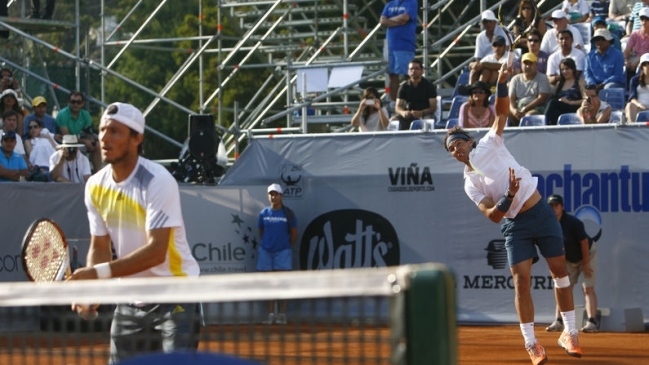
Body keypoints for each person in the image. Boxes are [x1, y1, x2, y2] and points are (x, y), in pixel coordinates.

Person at [443, 63, 582, 365]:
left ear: (470, 141)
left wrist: (502, 82)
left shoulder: (490, 143)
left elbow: (502, 113)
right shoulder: (469, 183)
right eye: (450, 149)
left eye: (458, 143)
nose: (455, 150)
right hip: (514, 226)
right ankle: (532, 343)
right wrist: (508, 195)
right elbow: (492, 216)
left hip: (541, 214)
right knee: (521, 282)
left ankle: (569, 332)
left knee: (560, 271)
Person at [68, 102, 201, 364]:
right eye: (102, 130)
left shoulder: (158, 181)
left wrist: (96, 274)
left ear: (137, 138)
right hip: (129, 302)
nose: (104, 138)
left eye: (115, 131)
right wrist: (92, 291)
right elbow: (100, 247)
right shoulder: (95, 185)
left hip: (176, 298)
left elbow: (156, 252)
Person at [546, 194, 599, 334]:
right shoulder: (548, 224)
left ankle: (592, 322)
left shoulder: (573, 223)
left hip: (588, 254)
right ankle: (558, 321)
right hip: (568, 259)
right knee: (563, 288)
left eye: (556, 205)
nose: (553, 208)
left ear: (562, 207)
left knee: (587, 289)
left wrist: (586, 264)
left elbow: (584, 243)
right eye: (551, 206)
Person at [258, 183, 298, 325]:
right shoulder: (263, 213)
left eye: (276, 194)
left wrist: (284, 246)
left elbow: (293, 234)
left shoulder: (288, 213)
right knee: (269, 285)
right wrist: (268, 245)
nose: (273, 197)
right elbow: (261, 232)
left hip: (283, 252)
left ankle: (281, 314)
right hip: (266, 252)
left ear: (281, 196)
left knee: (282, 284)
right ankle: (270, 314)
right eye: (271, 194)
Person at [379, 0, 418, 108]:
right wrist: (397, 20)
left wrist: (389, 21)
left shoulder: (411, 2)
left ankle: (410, 100)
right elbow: (382, 21)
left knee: (408, 74)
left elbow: (405, 18)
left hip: (405, 44)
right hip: (390, 45)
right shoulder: (390, 4)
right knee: (392, 74)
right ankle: (393, 101)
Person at [56, 92, 101, 171]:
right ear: (68, 102)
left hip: (78, 142)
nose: (76, 104)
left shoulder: (85, 114)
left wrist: (90, 141)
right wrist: (84, 141)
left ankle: (98, 172)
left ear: (83, 103)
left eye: (78, 102)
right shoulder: (62, 114)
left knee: (96, 145)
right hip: (63, 143)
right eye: (73, 102)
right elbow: (67, 138)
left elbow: (89, 132)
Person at [391, 59, 437, 130]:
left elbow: (433, 107)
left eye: (416, 68)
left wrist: (421, 112)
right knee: (393, 121)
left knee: (428, 122)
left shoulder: (429, 86)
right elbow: (397, 107)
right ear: (408, 72)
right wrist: (403, 113)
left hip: (425, 115)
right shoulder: (404, 87)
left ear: (422, 71)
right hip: (409, 115)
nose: (413, 71)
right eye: (411, 69)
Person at [469, 10, 511, 85]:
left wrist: (484, 64)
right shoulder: (480, 37)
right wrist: (475, 65)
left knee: (490, 71)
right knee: (474, 69)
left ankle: (481, 88)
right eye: (485, 22)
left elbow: (508, 50)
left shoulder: (503, 30)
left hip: (499, 65)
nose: (488, 24)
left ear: (495, 22)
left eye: (490, 21)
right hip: (487, 64)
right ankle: (471, 89)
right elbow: (478, 58)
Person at [508, 53, 550, 126]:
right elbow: (511, 99)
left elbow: (541, 99)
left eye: (531, 64)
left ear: (536, 65)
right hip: (518, 107)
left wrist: (525, 109)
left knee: (529, 117)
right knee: (505, 115)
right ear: (521, 65)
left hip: (535, 108)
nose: (527, 66)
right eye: (525, 63)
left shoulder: (542, 78)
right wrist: (513, 110)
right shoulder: (515, 79)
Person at [545, 58, 585, 125]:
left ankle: (545, 125)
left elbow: (585, 99)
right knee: (551, 102)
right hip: (560, 109)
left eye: (567, 69)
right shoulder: (560, 84)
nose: (565, 71)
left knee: (553, 103)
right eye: (562, 69)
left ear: (573, 69)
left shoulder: (580, 82)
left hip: (574, 108)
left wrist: (570, 102)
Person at [624, 8, 649, 77]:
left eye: (647, 19)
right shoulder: (635, 34)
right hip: (635, 59)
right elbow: (627, 51)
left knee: (641, 67)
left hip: (646, 60)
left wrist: (638, 61)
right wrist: (626, 61)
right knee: (626, 68)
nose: (644, 21)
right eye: (642, 19)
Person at [625, 53, 649, 122]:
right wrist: (640, 105)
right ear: (641, 67)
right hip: (639, 107)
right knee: (629, 106)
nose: (647, 67)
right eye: (644, 64)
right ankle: (632, 129)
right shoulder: (634, 80)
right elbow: (632, 98)